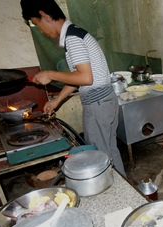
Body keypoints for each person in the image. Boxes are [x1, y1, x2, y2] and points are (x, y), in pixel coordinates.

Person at [20, 0, 126, 177]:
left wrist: (51, 74)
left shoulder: (72, 38)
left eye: (37, 23)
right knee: (109, 151)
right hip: (104, 101)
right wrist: (57, 100)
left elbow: (85, 77)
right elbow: (78, 77)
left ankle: (114, 193)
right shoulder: (74, 34)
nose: (40, 30)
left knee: (99, 157)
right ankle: (125, 189)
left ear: (44, 15)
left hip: (97, 105)